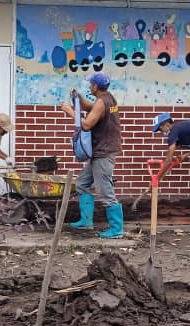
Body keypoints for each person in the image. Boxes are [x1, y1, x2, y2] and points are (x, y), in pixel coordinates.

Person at [59, 72, 123, 239]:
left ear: (95, 86)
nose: (89, 86)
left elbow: (86, 125)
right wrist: (78, 99)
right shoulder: (108, 98)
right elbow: (90, 108)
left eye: (90, 84)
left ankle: (117, 229)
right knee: (82, 183)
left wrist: (69, 111)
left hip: (103, 152)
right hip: (100, 150)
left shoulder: (102, 102)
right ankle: (86, 221)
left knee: (105, 191)